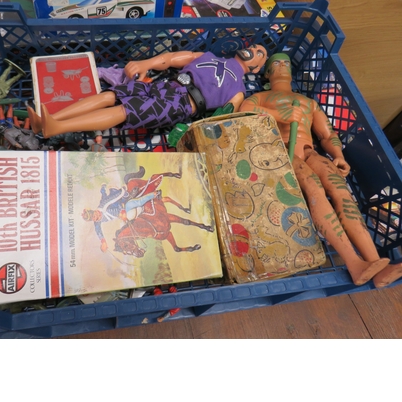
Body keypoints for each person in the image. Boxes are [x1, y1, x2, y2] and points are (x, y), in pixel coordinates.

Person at [240, 52, 402, 287]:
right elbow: (244, 113)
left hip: (310, 152)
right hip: (281, 153)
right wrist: (277, 115)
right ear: (267, 73)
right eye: (276, 63)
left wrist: (338, 156)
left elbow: (326, 134)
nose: (282, 65)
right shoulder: (260, 98)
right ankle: (354, 263)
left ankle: (376, 262)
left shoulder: (308, 103)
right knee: (314, 189)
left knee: (341, 191)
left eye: (285, 62)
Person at [27, 45, 268, 138]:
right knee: (111, 95)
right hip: (165, 85)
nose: (254, 49)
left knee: (124, 111)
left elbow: (225, 117)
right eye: (255, 47)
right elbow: (172, 58)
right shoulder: (210, 55)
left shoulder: (238, 90)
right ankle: (48, 119)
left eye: (259, 53)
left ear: (256, 68)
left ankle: (56, 127)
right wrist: (147, 63)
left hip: (181, 104)